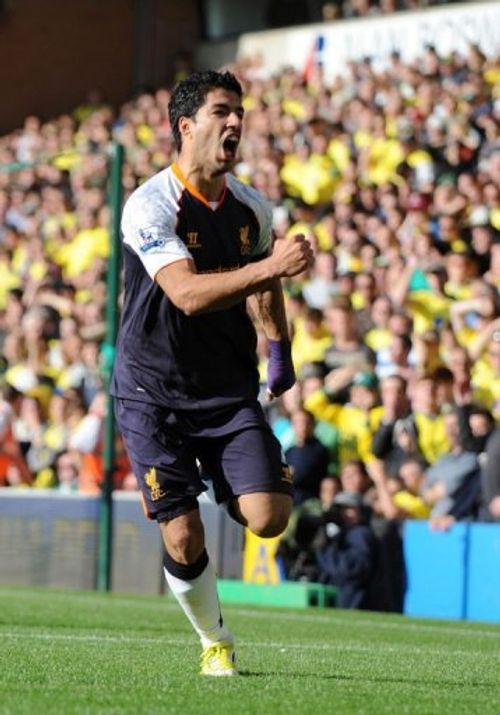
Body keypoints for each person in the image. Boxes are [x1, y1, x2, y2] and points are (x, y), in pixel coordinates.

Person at [110, 70, 313, 677]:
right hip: (151, 391)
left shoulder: (252, 208)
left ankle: (229, 479)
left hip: (225, 390)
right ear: (186, 126)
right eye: (223, 111)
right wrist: (270, 266)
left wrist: (279, 352)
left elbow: (265, 285)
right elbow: (189, 295)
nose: (236, 123)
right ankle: (215, 639)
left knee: (270, 519)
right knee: (182, 537)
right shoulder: (149, 205)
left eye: (240, 112)